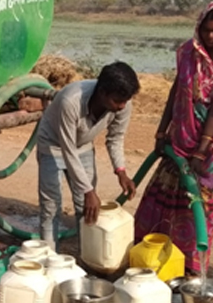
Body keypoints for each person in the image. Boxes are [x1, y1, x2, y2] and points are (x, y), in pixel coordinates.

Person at [133, 1, 213, 276]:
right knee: (162, 195)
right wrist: (162, 131)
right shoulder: (187, 53)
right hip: (179, 139)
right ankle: (155, 257)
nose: (210, 37)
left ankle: (193, 267)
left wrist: (201, 149)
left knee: (199, 205)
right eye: (206, 30)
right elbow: (176, 91)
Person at [36, 61, 140, 251]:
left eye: (125, 101)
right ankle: (49, 258)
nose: (121, 106)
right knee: (51, 208)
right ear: (102, 93)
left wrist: (121, 171)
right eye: (117, 101)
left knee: (86, 207)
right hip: (53, 146)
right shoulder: (71, 101)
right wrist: (89, 190)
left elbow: (115, 138)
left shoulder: (123, 104)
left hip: (83, 146)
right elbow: (67, 150)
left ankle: (87, 258)